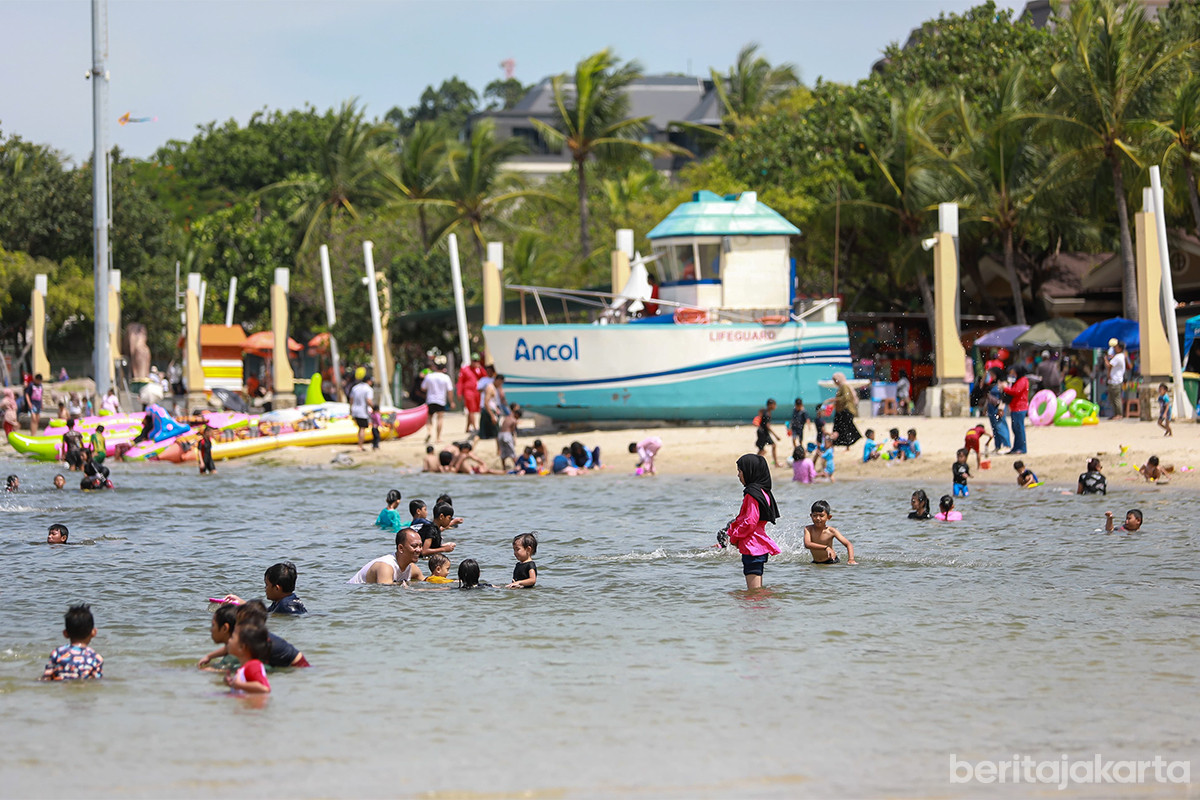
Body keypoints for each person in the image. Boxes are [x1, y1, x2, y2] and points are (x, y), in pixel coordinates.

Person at [721, 454, 782, 589]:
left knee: (754, 593)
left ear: (750, 471)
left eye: (740, 471)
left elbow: (750, 522)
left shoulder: (752, 494)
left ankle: (756, 609)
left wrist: (734, 537)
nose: (738, 475)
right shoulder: (763, 491)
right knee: (757, 589)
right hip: (758, 544)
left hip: (751, 546)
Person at [198, 601, 310, 670]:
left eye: (240, 621)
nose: (237, 624)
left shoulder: (254, 637)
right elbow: (229, 648)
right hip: (281, 661)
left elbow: (233, 655)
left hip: (297, 665)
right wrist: (210, 656)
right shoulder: (249, 636)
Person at [42, 604, 103, 680]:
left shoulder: (57, 653)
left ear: (65, 633)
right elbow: (97, 680)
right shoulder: (95, 657)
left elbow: (46, 677)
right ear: (94, 632)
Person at [348, 528, 426, 584]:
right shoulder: (385, 566)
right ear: (401, 548)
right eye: (414, 546)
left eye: (420, 546)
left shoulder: (412, 568)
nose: (419, 550)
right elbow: (386, 590)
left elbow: (427, 583)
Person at [224, 620, 271, 694]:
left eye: (232, 637)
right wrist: (232, 683)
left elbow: (264, 688)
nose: (229, 640)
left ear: (242, 647)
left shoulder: (253, 665)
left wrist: (239, 685)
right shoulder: (244, 667)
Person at [802, 499, 856, 564]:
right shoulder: (808, 529)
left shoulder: (831, 531)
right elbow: (807, 544)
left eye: (821, 516)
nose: (818, 518)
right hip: (815, 562)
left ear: (828, 517)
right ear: (811, 516)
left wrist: (851, 559)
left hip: (831, 562)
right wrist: (826, 548)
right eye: (815, 515)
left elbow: (848, 544)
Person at [422, 363, 456, 444]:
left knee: (429, 418)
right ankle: (438, 438)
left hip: (430, 400)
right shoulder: (446, 377)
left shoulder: (429, 376)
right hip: (441, 400)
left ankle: (429, 431)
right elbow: (450, 391)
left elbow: (423, 388)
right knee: (440, 419)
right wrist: (451, 402)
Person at [1001, 366, 1030, 454]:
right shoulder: (1018, 380)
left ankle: (1022, 448)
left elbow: (1016, 391)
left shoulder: (1023, 380)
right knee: (1015, 429)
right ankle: (1016, 447)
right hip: (1015, 408)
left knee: (1019, 429)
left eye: (1013, 373)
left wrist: (1005, 388)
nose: (1012, 375)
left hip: (1020, 408)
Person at [456, 353, 487, 433]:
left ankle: (467, 427)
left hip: (477, 392)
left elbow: (485, 376)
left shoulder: (478, 370)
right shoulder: (465, 369)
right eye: (474, 361)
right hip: (468, 392)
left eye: (477, 361)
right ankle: (475, 426)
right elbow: (460, 382)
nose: (475, 362)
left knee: (473, 410)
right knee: (471, 410)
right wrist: (459, 393)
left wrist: (480, 368)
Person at [985, 367, 1012, 453]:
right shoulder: (993, 383)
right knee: (995, 427)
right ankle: (997, 445)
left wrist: (1001, 408)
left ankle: (1006, 445)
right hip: (991, 407)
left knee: (1001, 426)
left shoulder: (1003, 383)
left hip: (998, 407)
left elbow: (1004, 397)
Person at [349, 375, 373, 452]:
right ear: (369, 381)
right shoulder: (368, 389)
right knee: (362, 428)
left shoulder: (355, 387)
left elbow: (351, 399)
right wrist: (375, 408)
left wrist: (350, 409)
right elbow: (368, 400)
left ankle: (359, 444)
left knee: (360, 428)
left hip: (355, 410)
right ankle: (360, 446)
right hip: (363, 411)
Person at [754, 399, 782, 467]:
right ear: (770, 405)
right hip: (763, 433)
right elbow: (767, 426)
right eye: (774, 405)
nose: (775, 406)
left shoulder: (766, 412)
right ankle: (754, 463)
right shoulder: (767, 414)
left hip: (763, 432)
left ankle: (776, 463)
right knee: (762, 450)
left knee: (766, 448)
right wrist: (776, 436)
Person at [1105, 341, 1129, 419]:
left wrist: (1105, 359)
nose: (1115, 348)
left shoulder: (1118, 356)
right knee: (1113, 398)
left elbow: (1109, 365)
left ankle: (1119, 414)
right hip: (1116, 380)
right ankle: (1116, 414)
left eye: (1116, 347)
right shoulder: (1120, 356)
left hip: (1115, 381)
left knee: (1116, 398)